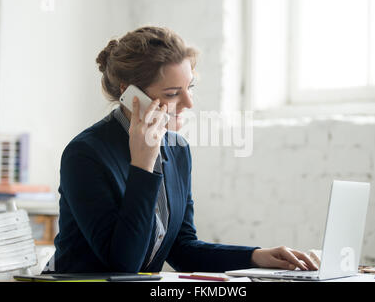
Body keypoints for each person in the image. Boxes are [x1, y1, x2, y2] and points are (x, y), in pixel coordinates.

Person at [46, 26, 318, 273]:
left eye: (190, 87)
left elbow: (182, 249)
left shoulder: (177, 150)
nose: (189, 103)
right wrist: (143, 166)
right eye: (173, 93)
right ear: (130, 94)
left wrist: (256, 257)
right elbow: (123, 265)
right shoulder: (85, 155)